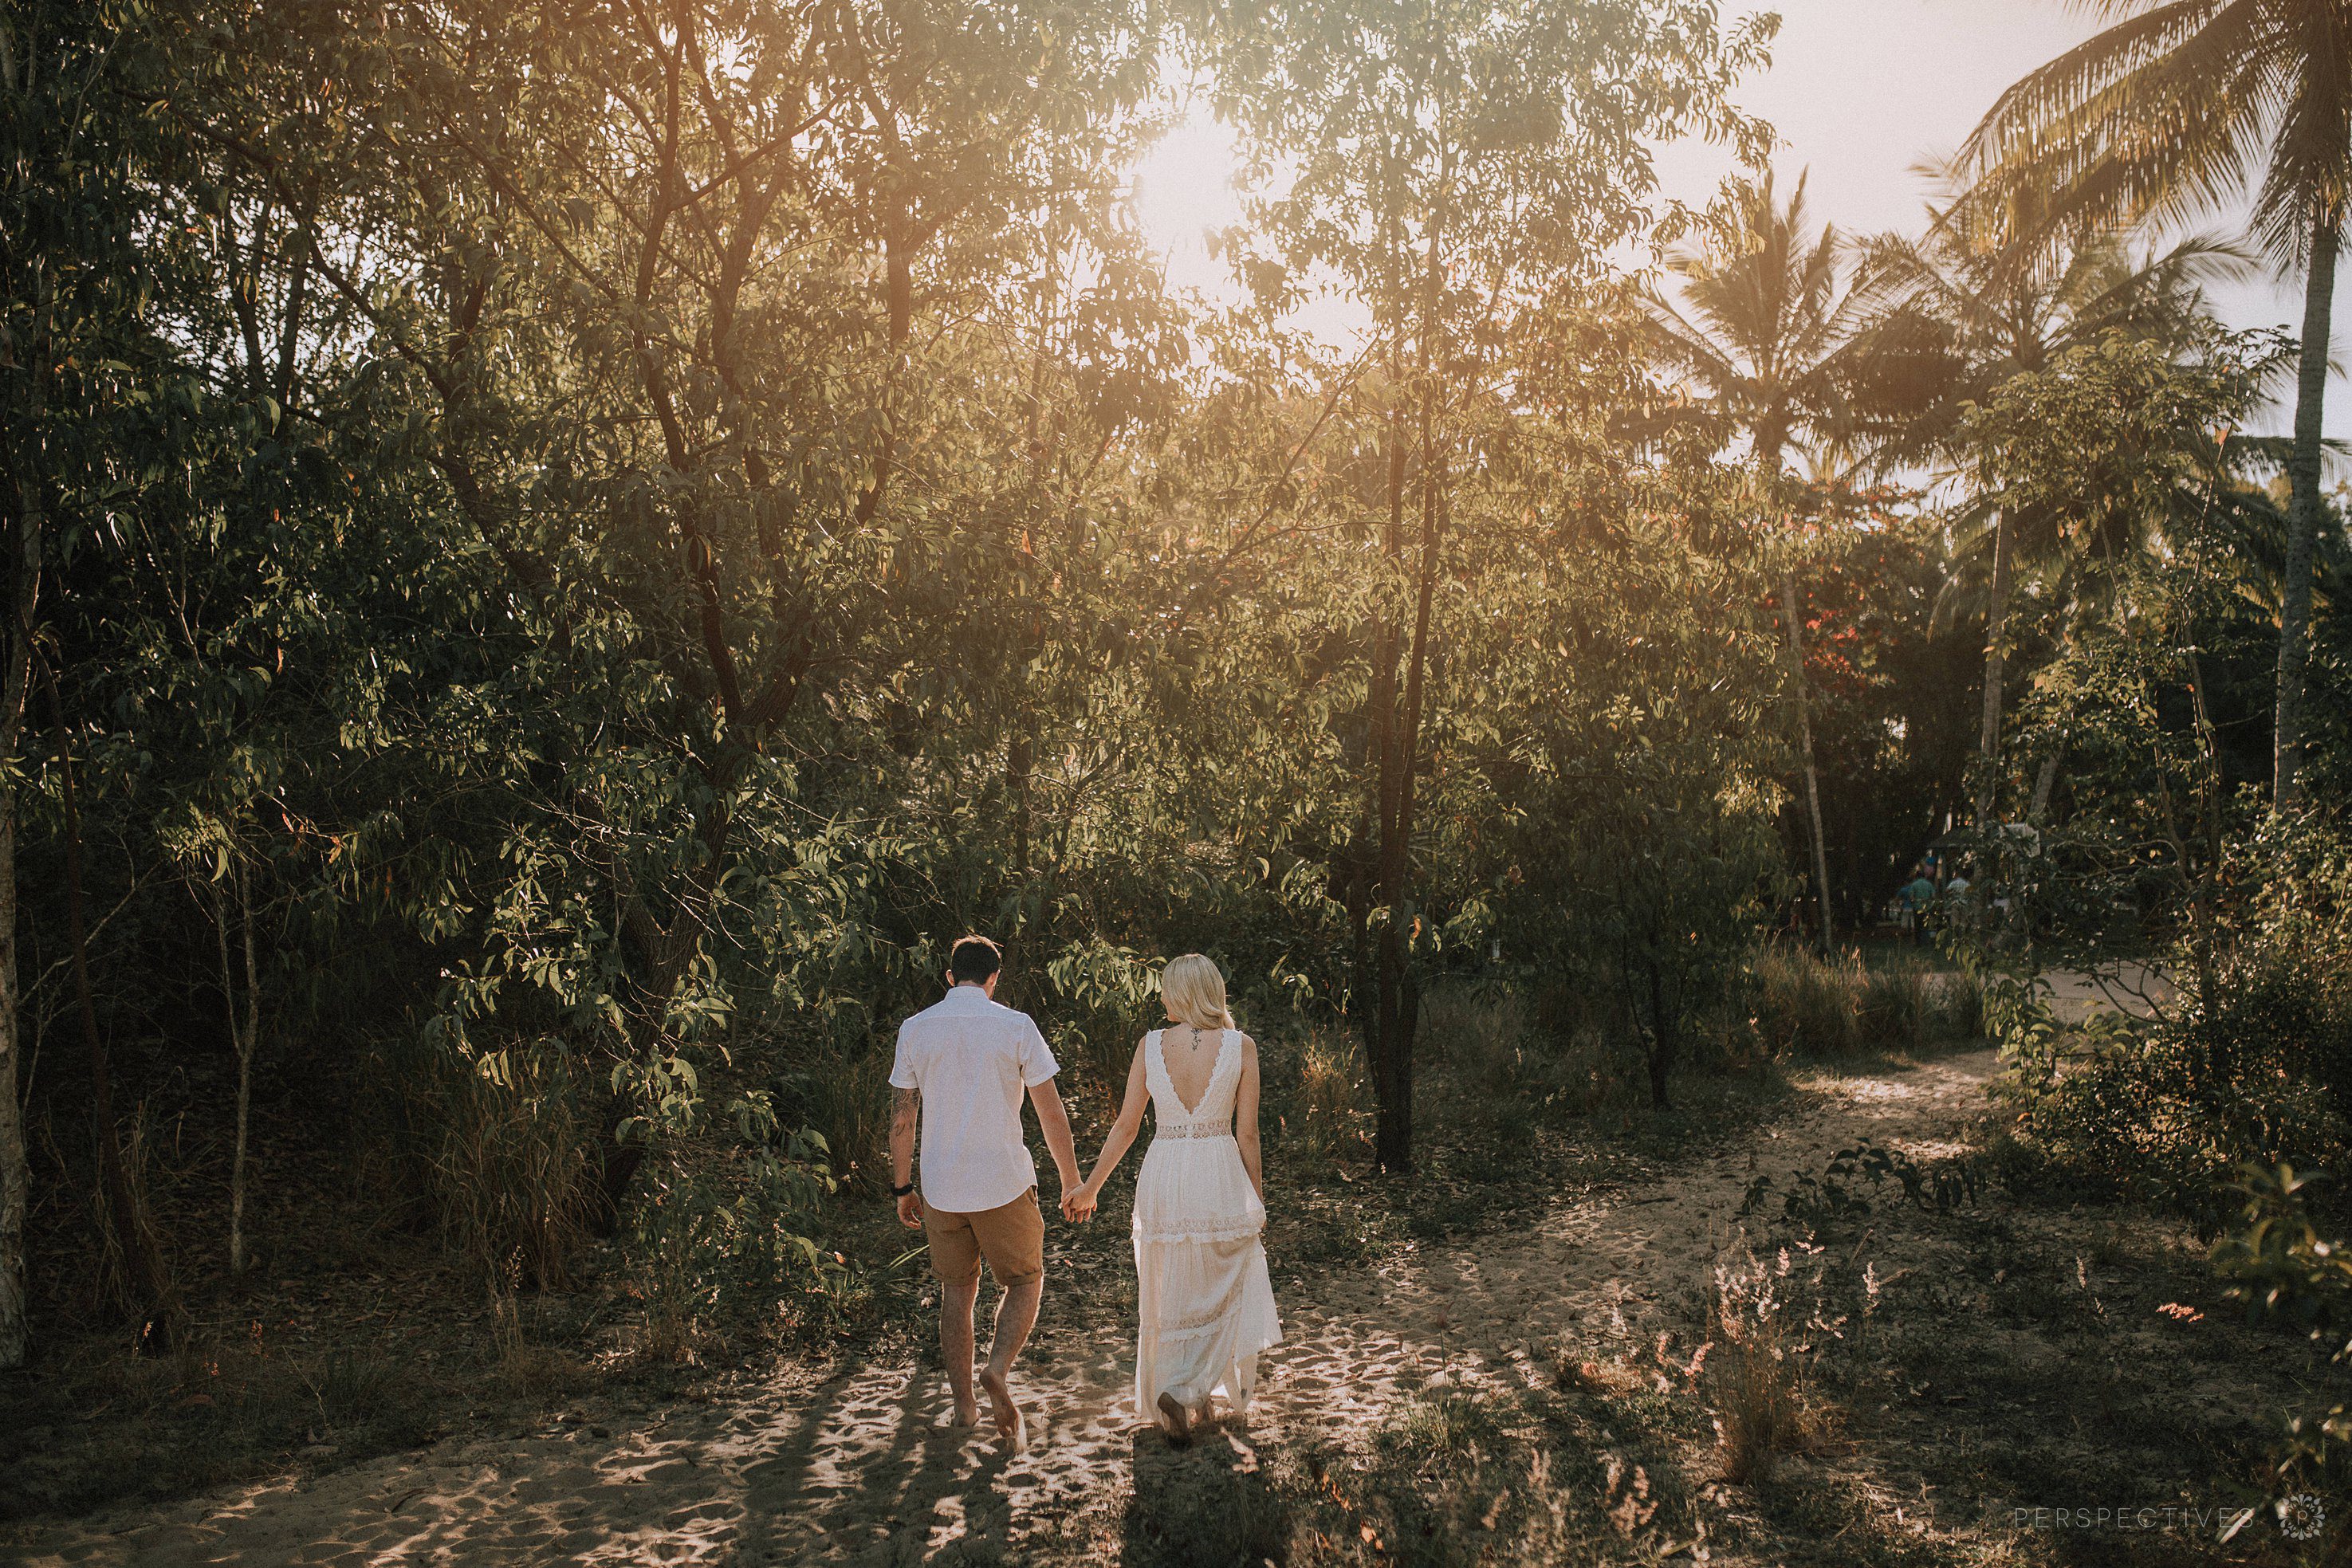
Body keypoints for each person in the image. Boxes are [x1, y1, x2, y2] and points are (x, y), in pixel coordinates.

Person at [1065, 953, 1282, 1444]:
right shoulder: (1240, 1046)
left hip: (1164, 1170)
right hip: (1218, 1169)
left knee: (1172, 1287)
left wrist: (1090, 1187)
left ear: (1183, 992)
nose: (1160, 996)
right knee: (1221, 1281)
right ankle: (1191, 1392)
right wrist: (1257, 1199)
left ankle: (1186, 1393)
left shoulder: (1149, 1046)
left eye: (1165, 988)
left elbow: (1125, 1127)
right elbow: (1247, 1135)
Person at [889, 935, 1082, 1450]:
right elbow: (1051, 1111)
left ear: (950, 977)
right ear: (994, 979)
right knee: (1024, 1281)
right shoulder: (1016, 1026)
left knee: (958, 1293)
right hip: (1003, 1184)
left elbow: (903, 1118)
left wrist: (903, 1185)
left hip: (943, 1190)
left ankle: (964, 1408)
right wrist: (1070, 1180)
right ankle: (996, 1369)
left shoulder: (916, 1028)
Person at [1900, 864, 1937, 948]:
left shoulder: (1914, 885)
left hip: (1917, 908)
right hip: (1927, 907)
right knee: (1926, 925)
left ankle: (1918, 943)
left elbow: (1911, 897)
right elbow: (1933, 896)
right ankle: (1927, 942)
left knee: (1917, 925)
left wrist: (1915, 901)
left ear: (1916, 877)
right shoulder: (1929, 884)